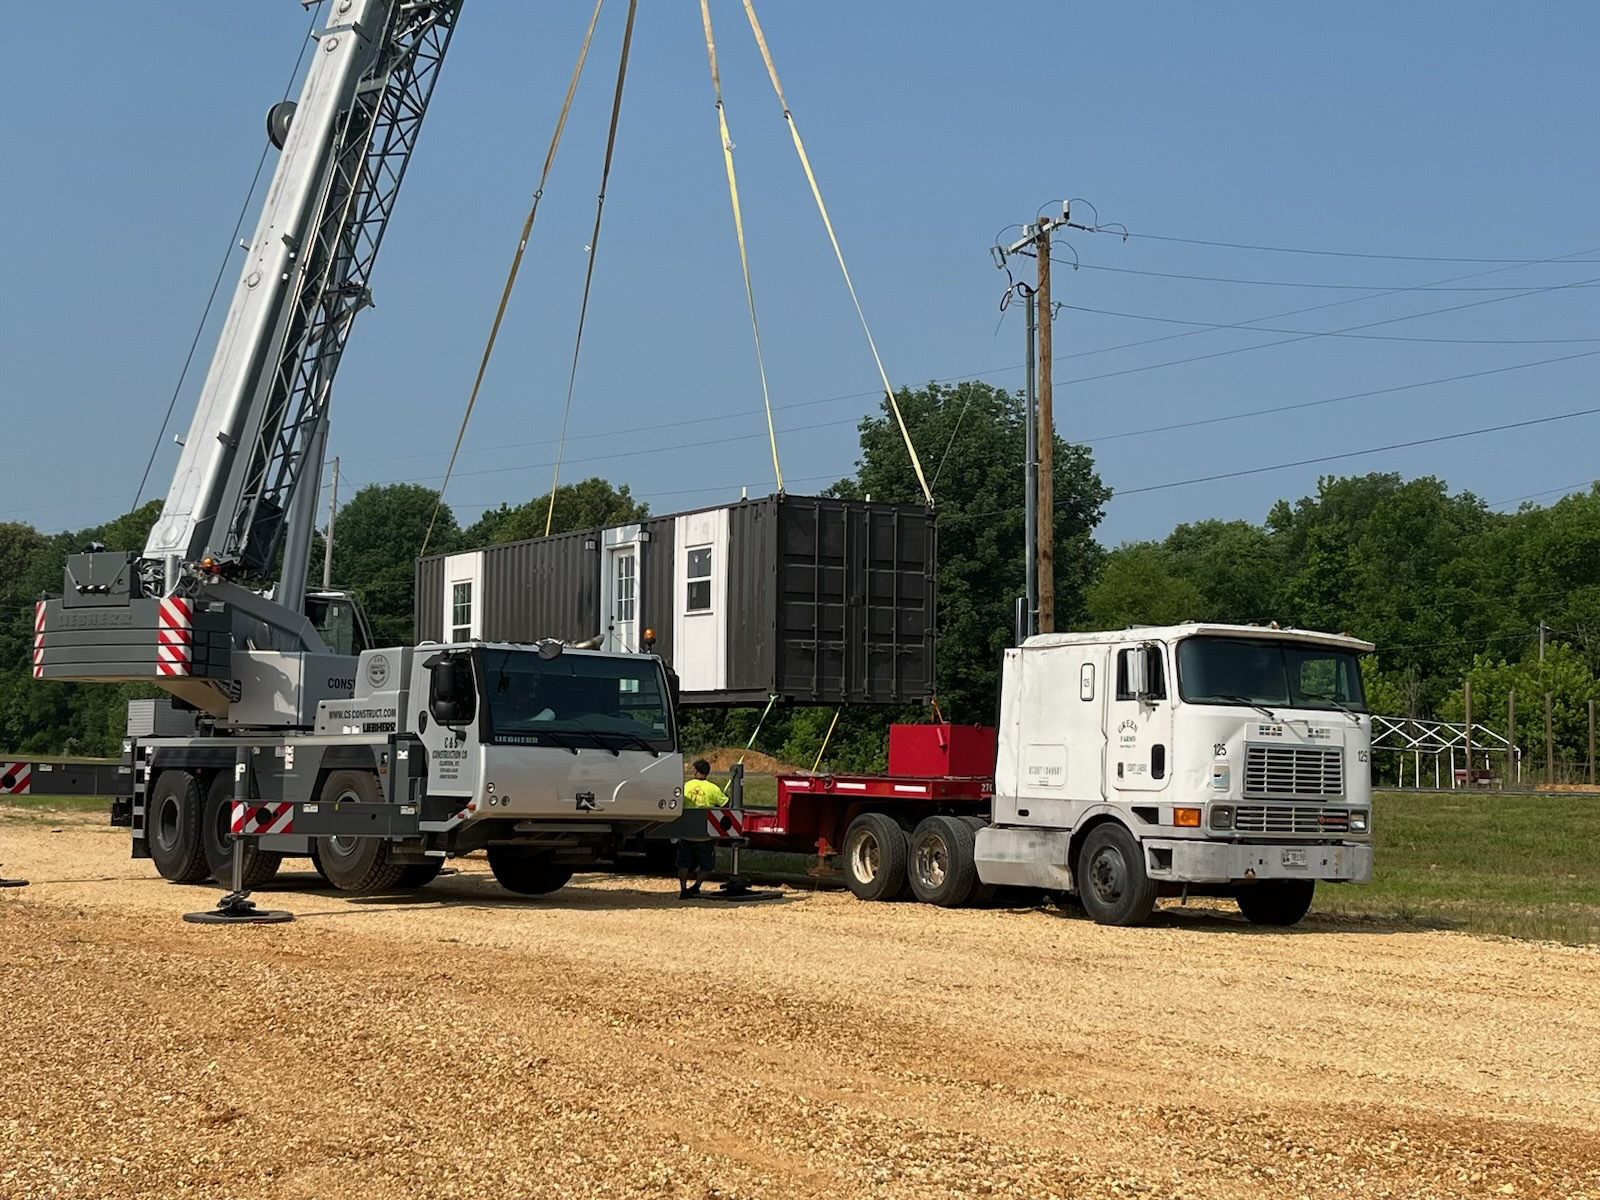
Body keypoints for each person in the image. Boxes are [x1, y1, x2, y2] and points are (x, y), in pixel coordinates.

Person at [677, 758, 727, 898]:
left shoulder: (686, 786)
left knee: (683, 863)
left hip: (686, 832)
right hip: (705, 834)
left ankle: (683, 888)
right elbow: (726, 805)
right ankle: (696, 886)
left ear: (696, 771)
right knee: (707, 865)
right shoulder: (713, 788)